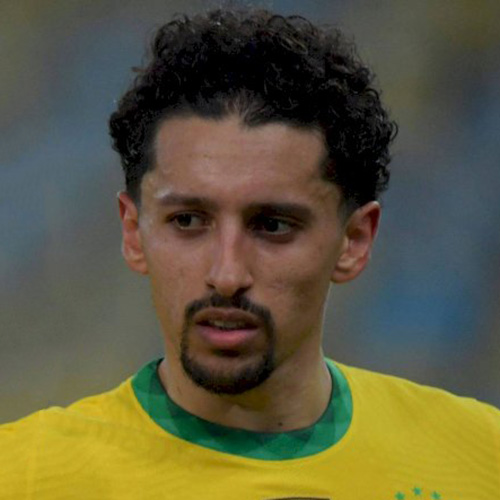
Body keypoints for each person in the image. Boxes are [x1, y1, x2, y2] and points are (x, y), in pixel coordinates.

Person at [1, 8, 499, 500]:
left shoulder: (482, 458)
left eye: (273, 226)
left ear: (354, 241)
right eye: (188, 221)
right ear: (133, 232)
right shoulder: (23, 476)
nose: (227, 274)